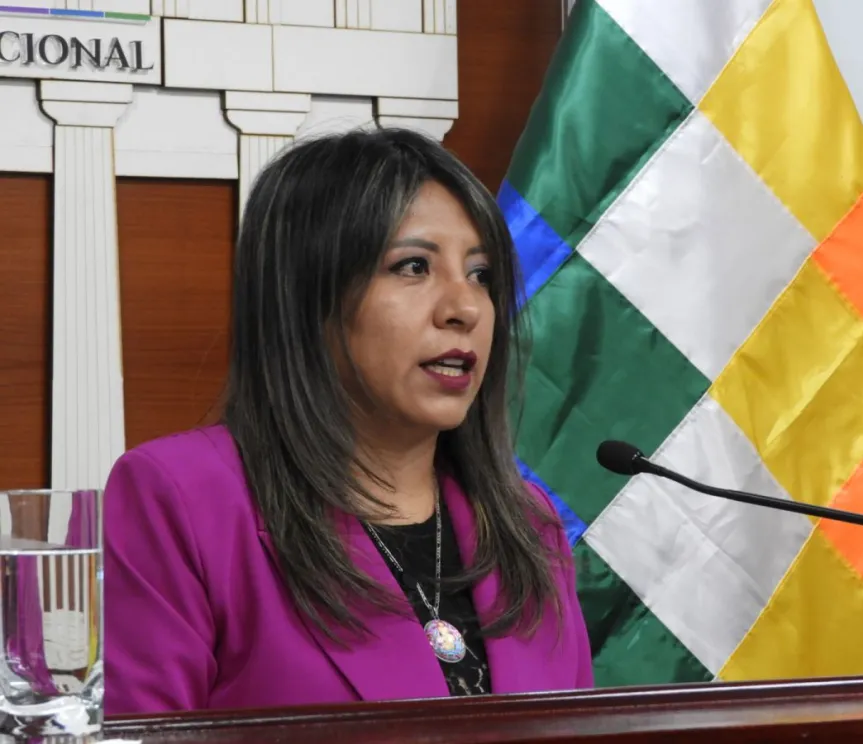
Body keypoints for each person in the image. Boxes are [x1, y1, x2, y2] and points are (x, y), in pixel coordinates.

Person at [102, 126, 595, 714]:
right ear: (307, 296)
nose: (464, 307)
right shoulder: (182, 499)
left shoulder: (528, 524)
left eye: (481, 274)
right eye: (413, 267)